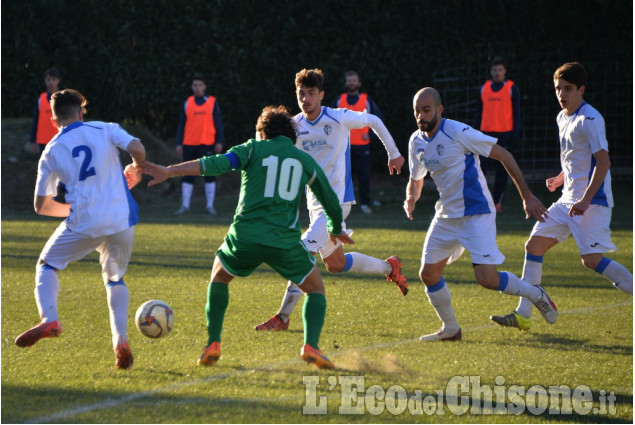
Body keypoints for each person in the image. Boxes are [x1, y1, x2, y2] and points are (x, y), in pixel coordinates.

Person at [141, 105, 352, 369]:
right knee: (315, 289)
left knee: (220, 276)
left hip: (245, 237)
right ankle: (311, 346)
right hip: (283, 241)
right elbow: (329, 198)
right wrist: (334, 227)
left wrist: (170, 170)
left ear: (263, 132)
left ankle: (213, 343)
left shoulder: (252, 148)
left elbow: (214, 164)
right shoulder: (303, 159)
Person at [254, 68, 407, 332]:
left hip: (337, 202)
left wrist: (393, 154)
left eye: (311, 93)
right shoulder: (294, 126)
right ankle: (389, 266)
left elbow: (374, 121)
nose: (305, 99)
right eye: (301, 93)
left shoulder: (338, 118)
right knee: (336, 264)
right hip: (314, 205)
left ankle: (283, 317)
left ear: (321, 95)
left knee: (301, 252)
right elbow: (267, 142)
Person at [404, 87, 558, 342]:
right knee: (428, 274)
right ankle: (451, 329)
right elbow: (416, 178)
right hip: (445, 216)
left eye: (426, 109)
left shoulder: (458, 132)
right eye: (416, 111)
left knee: (487, 278)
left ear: (440, 110)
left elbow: (504, 155)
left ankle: (535, 294)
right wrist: (411, 197)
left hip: (476, 213)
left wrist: (527, 196)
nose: (420, 115)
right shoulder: (416, 141)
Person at [491, 62, 633, 331]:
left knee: (591, 261)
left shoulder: (590, 119)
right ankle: (524, 315)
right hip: (567, 201)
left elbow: (603, 163)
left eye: (567, 89)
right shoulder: (562, 117)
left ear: (582, 89)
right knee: (533, 246)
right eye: (558, 88)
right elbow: (575, 160)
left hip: (592, 202)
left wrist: (586, 199)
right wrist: (560, 178)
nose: (561, 94)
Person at [15, 89, 146, 369]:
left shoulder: (51, 150)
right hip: (121, 217)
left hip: (85, 222)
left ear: (53, 120)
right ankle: (120, 339)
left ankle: (50, 318)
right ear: (81, 112)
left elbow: (41, 205)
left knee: (47, 265)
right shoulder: (105, 128)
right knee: (114, 278)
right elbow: (136, 147)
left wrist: (70, 211)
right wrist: (137, 167)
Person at [334, 70, 385, 214]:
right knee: (342, 177)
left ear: (359, 83)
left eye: (354, 80)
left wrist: (371, 136)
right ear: (346, 83)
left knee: (364, 177)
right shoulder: (339, 100)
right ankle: (341, 205)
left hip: (362, 147)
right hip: (344, 147)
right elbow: (331, 122)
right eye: (349, 80)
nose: (351, 82)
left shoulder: (366, 99)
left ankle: (364, 204)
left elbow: (378, 119)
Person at [474, 57, 521, 213]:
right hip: (485, 135)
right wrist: (475, 132)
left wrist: (515, 134)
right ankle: (483, 200)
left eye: (500, 69)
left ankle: (497, 202)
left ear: (505, 71)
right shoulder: (484, 88)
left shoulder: (511, 88)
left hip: (504, 135)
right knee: (482, 170)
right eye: (494, 70)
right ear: (490, 72)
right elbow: (478, 113)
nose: (497, 73)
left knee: (503, 170)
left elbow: (517, 113)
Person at [174, 73, 225, 215]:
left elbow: (218, 123)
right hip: (189, 144)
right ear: (192, 87)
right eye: (195, 85)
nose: (197, 88)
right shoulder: (187, 103)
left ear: (204, 86)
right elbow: (181, 125)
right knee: (187, 174)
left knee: (209, 174)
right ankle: (185, 206)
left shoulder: (212, 102)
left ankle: (210, 206)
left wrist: (219, 141)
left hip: (207, 144)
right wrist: (179, 143)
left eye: (200, 85)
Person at [29, 68, 62, 155]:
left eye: (53, 79)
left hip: (59, 140)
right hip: (43, 141)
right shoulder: (40, 99)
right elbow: (35, 120)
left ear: (58, 80)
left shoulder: (63, 98)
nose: (51, 82)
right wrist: (32, 140)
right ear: (45, 81)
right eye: (48, 79)